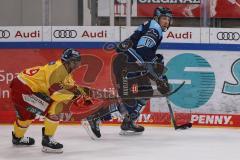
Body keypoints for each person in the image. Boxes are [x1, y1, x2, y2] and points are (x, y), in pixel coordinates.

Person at [83, 6, 173, 139]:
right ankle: (95, 117)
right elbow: (143, 52)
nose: (166, 22)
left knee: (145, 91)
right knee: (129, 101)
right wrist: (158, 71)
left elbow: (135, 46)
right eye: (164, 18)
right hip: (127, 66)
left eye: (168, 19)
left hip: (130, 65)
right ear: (156, 18)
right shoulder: (155, 29)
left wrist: (156, 67)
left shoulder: (151, 25)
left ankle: (128, 123)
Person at [10, 48, 91, 153]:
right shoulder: (57, 70)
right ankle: (47, 140)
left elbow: (73, 86)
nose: (78, 64)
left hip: (21, 86)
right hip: (24, 89)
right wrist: (75, 97)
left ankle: (17, 138)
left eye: (78, 60)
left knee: (26, 116)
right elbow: (55, 94)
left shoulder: (63, 70)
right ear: (68, 61)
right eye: (75, 61)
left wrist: (83, 95)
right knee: (56, 106)